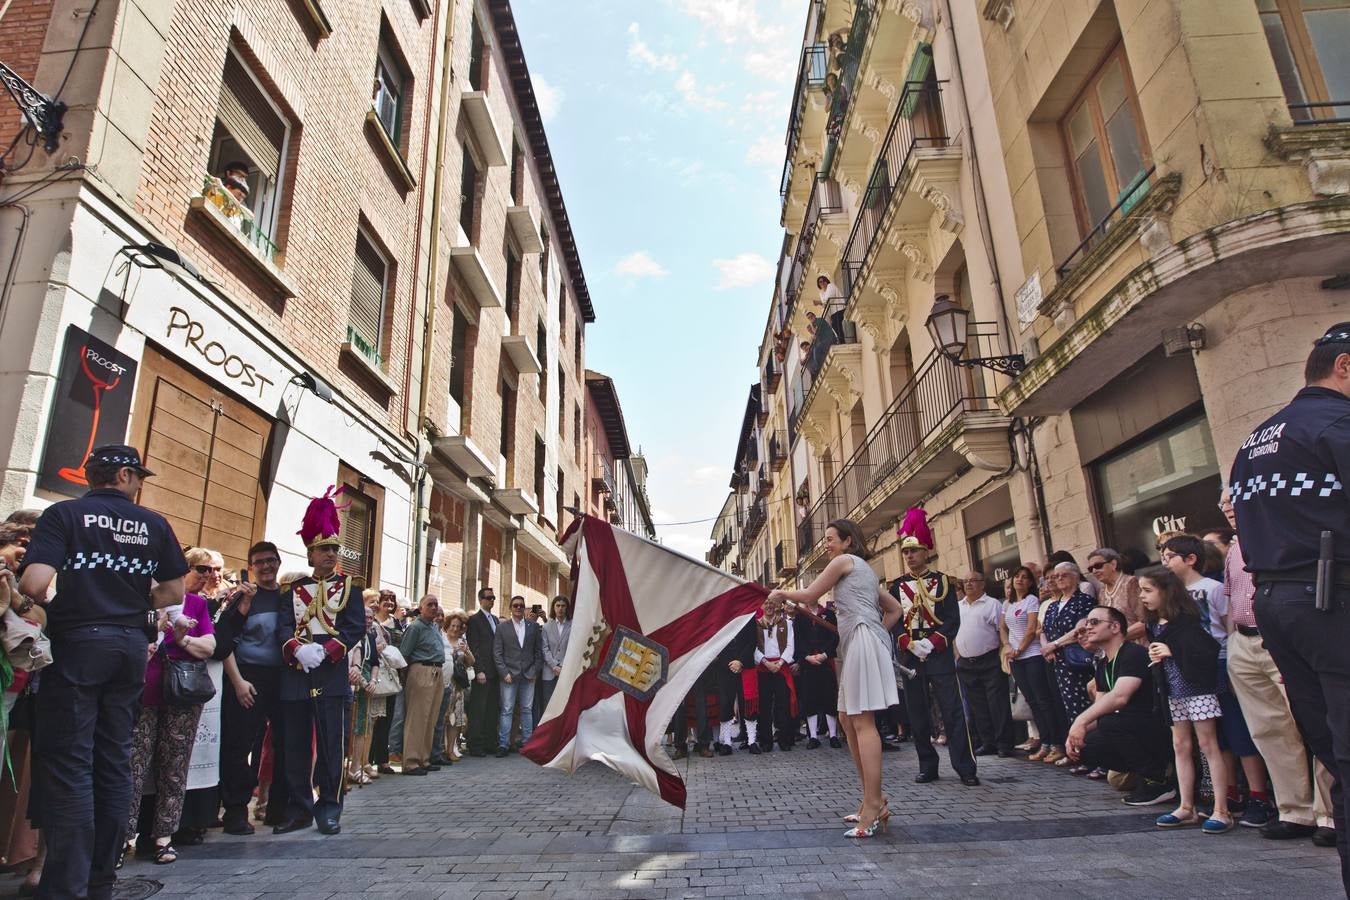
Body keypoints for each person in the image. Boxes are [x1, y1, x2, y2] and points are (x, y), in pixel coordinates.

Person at [19, 444, 188, 900]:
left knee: (71, 761)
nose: (140, 487)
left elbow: (34, 583)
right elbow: (173, 590)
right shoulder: (155, 523)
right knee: (114, 759)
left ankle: (66, 884)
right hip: (130, 645)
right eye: (140, 478)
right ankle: (101, 881)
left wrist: (65, 603)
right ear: (126, 476)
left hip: (78, 642)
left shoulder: (64, 515)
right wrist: (132, 602)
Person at [1229, 322, 1350, 893]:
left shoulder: (1255, 440)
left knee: (1335, 754)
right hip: (1333, 600)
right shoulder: (1338, 424)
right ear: (1344, 367)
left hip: (1282, 606)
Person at [768, 519, 901, 838]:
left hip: (861, 641)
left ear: (848, 541)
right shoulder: (865, 570)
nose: (826, 544)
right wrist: (876, 631)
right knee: (845, 717)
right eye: (825, 539)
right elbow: (894, 609)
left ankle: (872, 807)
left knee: (861, 720)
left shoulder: (845, 562)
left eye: (831, 539)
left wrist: (780, 591)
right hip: (859, 641)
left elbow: (812, 592)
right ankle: (873, 798)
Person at [1221, 488, 1336, 843]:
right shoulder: (1233, 549)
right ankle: (1294, 811)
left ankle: (1330, 814)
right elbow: (1229, 600)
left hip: (1280, 641)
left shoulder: (1279, 535)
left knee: (1313, 723)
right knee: (1269, 730)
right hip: (1243, 641)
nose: (1227, 506)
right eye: (1223, 503)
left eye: (1233, 499)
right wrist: (1232, 644)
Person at [274, 488, 366, 836]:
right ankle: (299, 808)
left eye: (333, 548)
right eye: (323, 549)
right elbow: (283, 625)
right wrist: (295, 649)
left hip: (330, 674)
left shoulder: (350, 587)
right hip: (297, 674)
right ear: (310, 552)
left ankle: (329, 808)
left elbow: (354, 626)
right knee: (295, 747)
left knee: (330, 747)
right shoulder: (293, 589)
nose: (330, 554)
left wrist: (327, 651)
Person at [1162, 533, 1270, 828]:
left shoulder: (1212, 589)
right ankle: (1230, 792)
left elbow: (1228, 625)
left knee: (1238, 730)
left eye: (1170, 556)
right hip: (1189, 670)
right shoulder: (1171, 593)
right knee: (1214, 736)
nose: (1165, 561)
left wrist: (1230, 658)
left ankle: (1259, 795)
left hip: (1219, 663)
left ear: (1191, 558)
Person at [125, 556, 218, 864]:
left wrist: (182, 638)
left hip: (182, 692)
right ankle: (121, 838)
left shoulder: (195, 604)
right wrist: (157, 635)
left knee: (174, 767)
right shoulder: (140, 601)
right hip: (143, 692)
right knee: (132, 767)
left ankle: (164, 836)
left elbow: (209, 647)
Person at [1139, 567, 1233, 834]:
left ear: (1166, 592)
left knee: (1208, 744)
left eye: (1147, 590)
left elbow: (1206, 650)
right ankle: (1186, 805)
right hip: (1171, 689)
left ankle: (1221, 809)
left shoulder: (1188, 619)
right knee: (1180, 745)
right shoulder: (1154, 623)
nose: (1143, 597)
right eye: (1141, 591)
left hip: (1197, 688)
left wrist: (1171, 651)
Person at [889, 508, 978, 786]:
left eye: (914, 550)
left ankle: (965, 767)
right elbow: (893, 620)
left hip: (937, 653)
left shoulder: (945, 583)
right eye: (906, 552)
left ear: (926, 551)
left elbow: (952, 619)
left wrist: (932, 642)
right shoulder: (896, 586)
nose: (910, 556)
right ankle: (927, 765)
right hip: (911, 656)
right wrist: (908, 643)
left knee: (952, 710)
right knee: (917, 713)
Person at [1064, 606, 1177, 807]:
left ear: (1115, 627)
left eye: (1094, 622)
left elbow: (1120, 697)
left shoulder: (1133, 653)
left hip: (1158, 727)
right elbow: (1100, 708)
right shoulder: (1103, 664)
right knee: (1086, 746)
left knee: (1109, 724)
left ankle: (1158, 780)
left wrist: (1080, 721)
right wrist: (1073, 735)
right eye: (1086, 624)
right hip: (1131, 728)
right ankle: (1146, 774)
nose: (1087, 628)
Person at [217, 541, 289, 834]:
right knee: (239, 743)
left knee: (284, 743)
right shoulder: (242, 597)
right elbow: (224, 641)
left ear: (279, 562)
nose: (266, 566)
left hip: (282, 678)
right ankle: (235, 811)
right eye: (259, 562)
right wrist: (238, 682)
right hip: (248, 677)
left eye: (271, 560)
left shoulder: (288, 598)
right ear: (251, 567)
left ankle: (277, 809)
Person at [1038, 562, 1096, 766]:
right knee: (1065, 708)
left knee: (1081, 706)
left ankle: (1091, 757)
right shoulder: (1053, 605)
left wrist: (1054, 645)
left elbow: (1080, 629)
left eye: (1064, 575)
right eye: (1055, 576)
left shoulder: (1084, 601)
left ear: (1075, 576)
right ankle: (1074, 753)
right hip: (1056, 662)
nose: (1058, 579)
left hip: (1077, 661)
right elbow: (1043, 630)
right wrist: (1046, 648)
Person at [1001, 566, 1058, 759]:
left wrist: (1019, 649)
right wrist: (1008, 646)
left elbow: (1032, 628)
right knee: (1032, 701)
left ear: (1031, 583)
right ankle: (1044, 742)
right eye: (1016, 576)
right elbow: (1002, 628)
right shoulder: (1007, 604)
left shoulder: (1031, 600)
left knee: (1043, 700)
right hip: (1015, 658)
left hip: (1032, 655)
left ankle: (1054, 743)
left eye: (1025, 578)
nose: (1019, 580)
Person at [955, 572, 1014, 758]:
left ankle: (1004, 743)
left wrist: (1002, 652)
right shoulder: (958, 606)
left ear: (983, 584)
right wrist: (958, 656)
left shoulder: (992, 604)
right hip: (966, 662)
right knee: (977, 705)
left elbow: (1001, 630)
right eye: (966, 581)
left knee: (997, 704)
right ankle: (988, 742)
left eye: (973, 581)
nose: (969, 584)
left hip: (989, 660)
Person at [398, 594, 445, 776]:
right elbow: (404, 654)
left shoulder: (433, 627)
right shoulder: (416, 627)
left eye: (436, 604)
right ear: (421, 607)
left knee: (430, 717)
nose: (433, 608)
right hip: (421, 670)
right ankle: (411, 762)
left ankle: (424, 759)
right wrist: (407, 676)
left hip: (436, 671)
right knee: (417, 718)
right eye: (430, 605)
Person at [493, 595, 543, 757]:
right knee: (507, 710)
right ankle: (503, 744)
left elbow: (538, 652)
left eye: (521, 606)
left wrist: (535, 671)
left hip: (528, 675)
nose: (518, 608)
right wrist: (504, 672)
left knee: (527, 709)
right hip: (509, 675)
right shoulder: (502, 627)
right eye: (515, 606)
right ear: (510, 608)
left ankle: (528, 743)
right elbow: (497, 653)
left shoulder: (533, 627)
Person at [793, 586, 839, 748]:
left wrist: (825, 654)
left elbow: (834, 637)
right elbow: (797, 640)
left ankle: (833, 735)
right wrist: (806, 656)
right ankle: (813, 737)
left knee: (829, 698)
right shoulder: (800, 618)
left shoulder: (829, 615)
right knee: (809, 699)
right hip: (808, 664)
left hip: (826, 662)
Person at [345, 598, 383, 785]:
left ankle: (357, 766)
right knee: (353, 727)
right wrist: (363, 681)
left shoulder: (371, 637)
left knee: (364, 726)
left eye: (371, 617)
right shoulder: (353, 635)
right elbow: (354, 664)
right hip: (355, 683)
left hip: (368, 683)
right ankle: (350, 767)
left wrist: (373, 681)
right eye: (365, 617)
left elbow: (375, 662)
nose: (368, 620)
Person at [752, 595, 797, 752]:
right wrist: (765, 662)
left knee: (782, 705)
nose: (769, 606)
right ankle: (766, 741)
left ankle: (785, 739)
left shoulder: (787, 623)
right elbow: (754, 648)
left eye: (771, 603)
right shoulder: (756, 625)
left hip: (781, 666)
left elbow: (791, 645)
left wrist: (781, 662)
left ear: (776, 606)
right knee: (764, 706)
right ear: (762, 606)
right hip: (764, 667)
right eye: (766, 603)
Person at [368, 591, 402, 774]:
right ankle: (368, 759)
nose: (389, 602)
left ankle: (382, 759)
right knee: (373, 718)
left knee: (387, 718)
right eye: (385, 600)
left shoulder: (396, 622)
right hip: (375, 672)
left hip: (390, 673)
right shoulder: (370, 622)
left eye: (392, 599)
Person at [435, 610, 474, 764]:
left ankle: (450, 750)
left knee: (454, 720)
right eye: (453, 625)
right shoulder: (440, 639)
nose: (455, 629)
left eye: (458, 626)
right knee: (441, 719)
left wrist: (466, 652)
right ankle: (438, 750)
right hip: (442, 683)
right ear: (447, 625)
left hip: (457, 686)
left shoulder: (462, 642)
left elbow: (471, 662)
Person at [465, 586, 500, 757]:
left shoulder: (495, 619)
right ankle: (475, 745)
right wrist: (479, 670)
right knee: (478, 709)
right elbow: (474, 646)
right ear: (480, 600)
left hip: (495, 672)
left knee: (492, 708)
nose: (491, 600)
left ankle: (489, 742)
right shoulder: (474, 620)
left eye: (493, 598)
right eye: (488, 598)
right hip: (482, 672)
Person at [713, 619, 756, 755]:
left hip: (745, 665)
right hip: (725, 668)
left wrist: (740, 661)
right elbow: (717, 642)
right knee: (725, 703)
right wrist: (730, 663)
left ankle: (752, 741)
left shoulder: (749, 616)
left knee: (748, 704)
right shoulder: (722, 615)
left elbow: (752, 642)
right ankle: (726, 742)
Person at [1086, 548, 1145, 642]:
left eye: (1098, 566)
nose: (1094, 571)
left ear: (1113, 564)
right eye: (1090, 568)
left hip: (1138, 646)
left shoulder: (1131, 583)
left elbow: (1145, 622)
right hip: (1115, 648)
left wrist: (1116, 638)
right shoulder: (1102, 591)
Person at [539, 595, 571, 715]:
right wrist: (554, 665)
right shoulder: (547, 626)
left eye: (563, 606)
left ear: (567, 608)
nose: (560, 608)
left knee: (565, 704)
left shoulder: (573, 625)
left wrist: (563, 666)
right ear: (553, 607)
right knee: (548, 704)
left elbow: (573, 647)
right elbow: (544, 648)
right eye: (558, 605)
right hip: (549, 671)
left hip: (566, 671)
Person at [814, 275, 846, 343]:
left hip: (839, 308)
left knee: (836, 325)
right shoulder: (822, 293)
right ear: (818, 284)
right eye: (820, 282)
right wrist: (820, 303)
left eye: (823, 281)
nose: (822, 283)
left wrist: (819, 302)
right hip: (833, 312)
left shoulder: (830, 286)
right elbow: (825, 305)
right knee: (835, 326)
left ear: (826, 281)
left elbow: (830, 299)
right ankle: (840, 340)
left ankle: (842, 341)